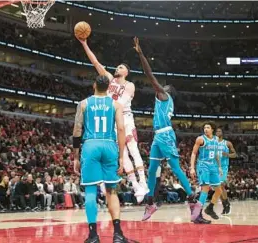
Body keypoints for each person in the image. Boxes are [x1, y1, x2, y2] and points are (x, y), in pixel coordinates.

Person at [132, 37, 202, 222]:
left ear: (167, 91)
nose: (160, 86)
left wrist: (140, 54)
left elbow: (149, 74)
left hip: (165, 135)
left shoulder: (163, 96)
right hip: (158, 137)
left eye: (164, 86)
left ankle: (193, 199)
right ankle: (150, 202)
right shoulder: (163, 100)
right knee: (153, 168)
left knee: (175, 168)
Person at [77, 37, 148, 203]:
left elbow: (121, 103)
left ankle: (143, 183)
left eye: (121, 67)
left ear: (126, 72)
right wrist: (84, 44)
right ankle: (136, 186)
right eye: (117, 66)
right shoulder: (108, 78)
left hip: (125, 118)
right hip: (114, 119)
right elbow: (95, 62)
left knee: (133, 150)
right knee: (121, 154)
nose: (118, 67)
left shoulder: (130, 85)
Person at [73, 75, 131, 243]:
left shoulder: (83, 104)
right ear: (108, 88)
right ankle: (118, 234)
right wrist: (121, 156)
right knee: (111, 190)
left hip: (90, 145)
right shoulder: (115, 104)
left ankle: (93, 236)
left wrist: (76, 156)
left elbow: (77, 130)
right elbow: (121, 129)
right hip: (109, 145)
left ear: (94, 86)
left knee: (91, 190)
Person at [190, 122, 223, 223]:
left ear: (212, 129)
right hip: (203, 165)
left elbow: (216, 154)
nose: (206, 129)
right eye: (204, 127)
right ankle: (197, 215)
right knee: (205, 189)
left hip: (213, 166)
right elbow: (194, 153)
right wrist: (192, 167)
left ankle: (209, 208)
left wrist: (220, 167)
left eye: (208, 127)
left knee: (219, 191)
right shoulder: (200, 139)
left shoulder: (216, 139)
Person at [216, 127, 236, 215]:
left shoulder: (227, 143)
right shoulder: (212, 143)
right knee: (217, 188)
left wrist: (227, 154)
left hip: (223, 167)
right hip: (214, 167)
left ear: (222, 133)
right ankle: (225, 205)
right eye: (216, 131)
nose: (218, 132)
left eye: (219, 131)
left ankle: (227, 204)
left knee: (221, 185)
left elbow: (235, 154)